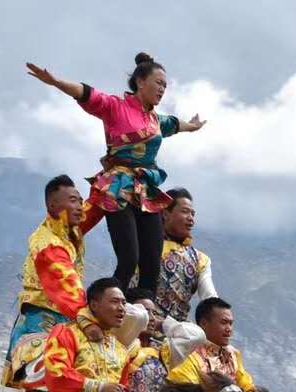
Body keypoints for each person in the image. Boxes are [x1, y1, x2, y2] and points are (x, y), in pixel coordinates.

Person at [25, 54, 206, 295]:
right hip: (118, 189)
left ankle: (145, 320)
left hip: (147, 192)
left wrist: (192, 127)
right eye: (159, 82)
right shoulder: (115, 108)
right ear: (140, 82)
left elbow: (174, 124)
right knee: (129, 259)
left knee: (151, 264)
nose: (162, 89)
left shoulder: (155, 120)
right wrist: (57, 82)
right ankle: (104, 309)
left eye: (165, 85)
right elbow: (86, 93)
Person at [1, 174, 103, 392]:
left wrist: (115, 181)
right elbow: (65, 285)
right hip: (41, 322)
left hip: (70, 322)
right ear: (53, 207)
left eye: (81, 200)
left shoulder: (71, 230)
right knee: (46, 369)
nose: (80, 206)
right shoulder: (47, 244)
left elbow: (94, 208)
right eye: (73, 201)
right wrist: (90, 320)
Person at [129, 188, 217, 323]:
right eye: (185, 212)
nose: (191, 219)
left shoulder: (200, 259)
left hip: (178, 333)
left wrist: (218, 317)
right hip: (140, 325)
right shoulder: (142, 246)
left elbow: (209, 297)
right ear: (165, 213)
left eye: (193, 214)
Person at [122, 287, 207, 392]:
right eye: (145, 312)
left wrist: (162, 324)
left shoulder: (162, 352)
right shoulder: (120, 343)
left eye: (154, 313)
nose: (151, 317)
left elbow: (198, 335)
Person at [167, 297, 256, 392]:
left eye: (231, 324)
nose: (229, 329)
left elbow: (247, 387)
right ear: (204, 324)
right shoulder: (189, 354)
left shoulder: (232, 355)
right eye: (224, 322)